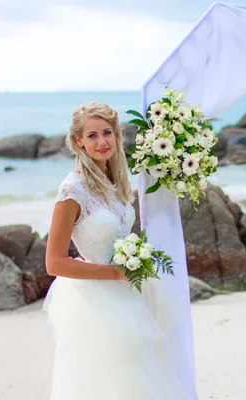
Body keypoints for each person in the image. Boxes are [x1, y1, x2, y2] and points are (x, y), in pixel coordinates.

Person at [43, 101, 193, 400]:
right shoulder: (72, 190)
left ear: (117, 136)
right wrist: (115, 272)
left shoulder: (117, 182)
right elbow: (54, 263)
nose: (102, 142)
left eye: (107, 133)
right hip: (97, 302)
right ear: (79, 142)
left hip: (132, 293)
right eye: (92, 135)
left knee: (144, 375)